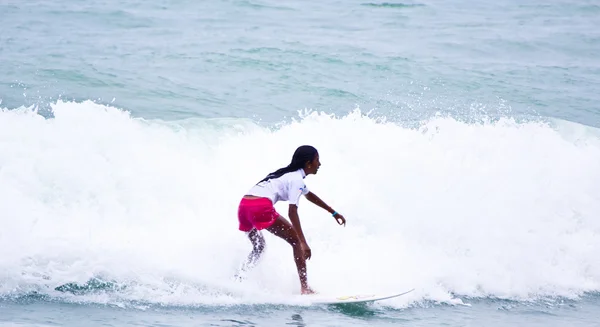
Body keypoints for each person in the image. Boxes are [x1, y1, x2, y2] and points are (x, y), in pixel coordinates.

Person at [236, 145, 346, 294]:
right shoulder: (296, 180)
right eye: (317, 160)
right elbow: (292, 211)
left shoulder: (287, 175)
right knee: (295, 242)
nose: (319, 164)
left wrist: (333, 212)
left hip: (244, 206)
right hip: (260, 207)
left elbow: (309, 195)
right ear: (308, 163)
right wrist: (303, 242)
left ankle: (239, 277)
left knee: (259, 247)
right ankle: (305, 288)